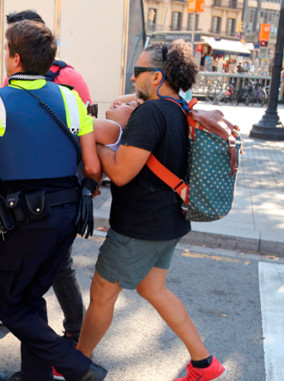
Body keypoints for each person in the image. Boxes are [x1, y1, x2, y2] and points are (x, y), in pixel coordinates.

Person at [0, 19, 106, 381]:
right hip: (69, 213)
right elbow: (91, 166)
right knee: (32, 292)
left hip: (27, 217)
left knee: (5, 298)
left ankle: (77, 367)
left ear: (16, 58)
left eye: (6, 49)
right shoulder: (71, 99)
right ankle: (35, 375)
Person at [76, 40, 227, 381]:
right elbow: (141, 103)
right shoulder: (180, 107)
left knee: (102, 294)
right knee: (153, 290)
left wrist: (97, 142)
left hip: (138, 228)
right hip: (170, 222)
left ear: (157, 77)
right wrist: (131, 104)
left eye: (138, 73)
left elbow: (120, 172)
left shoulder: (150, 114)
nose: (132, 80)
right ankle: (205, 364)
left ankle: (76, 362)